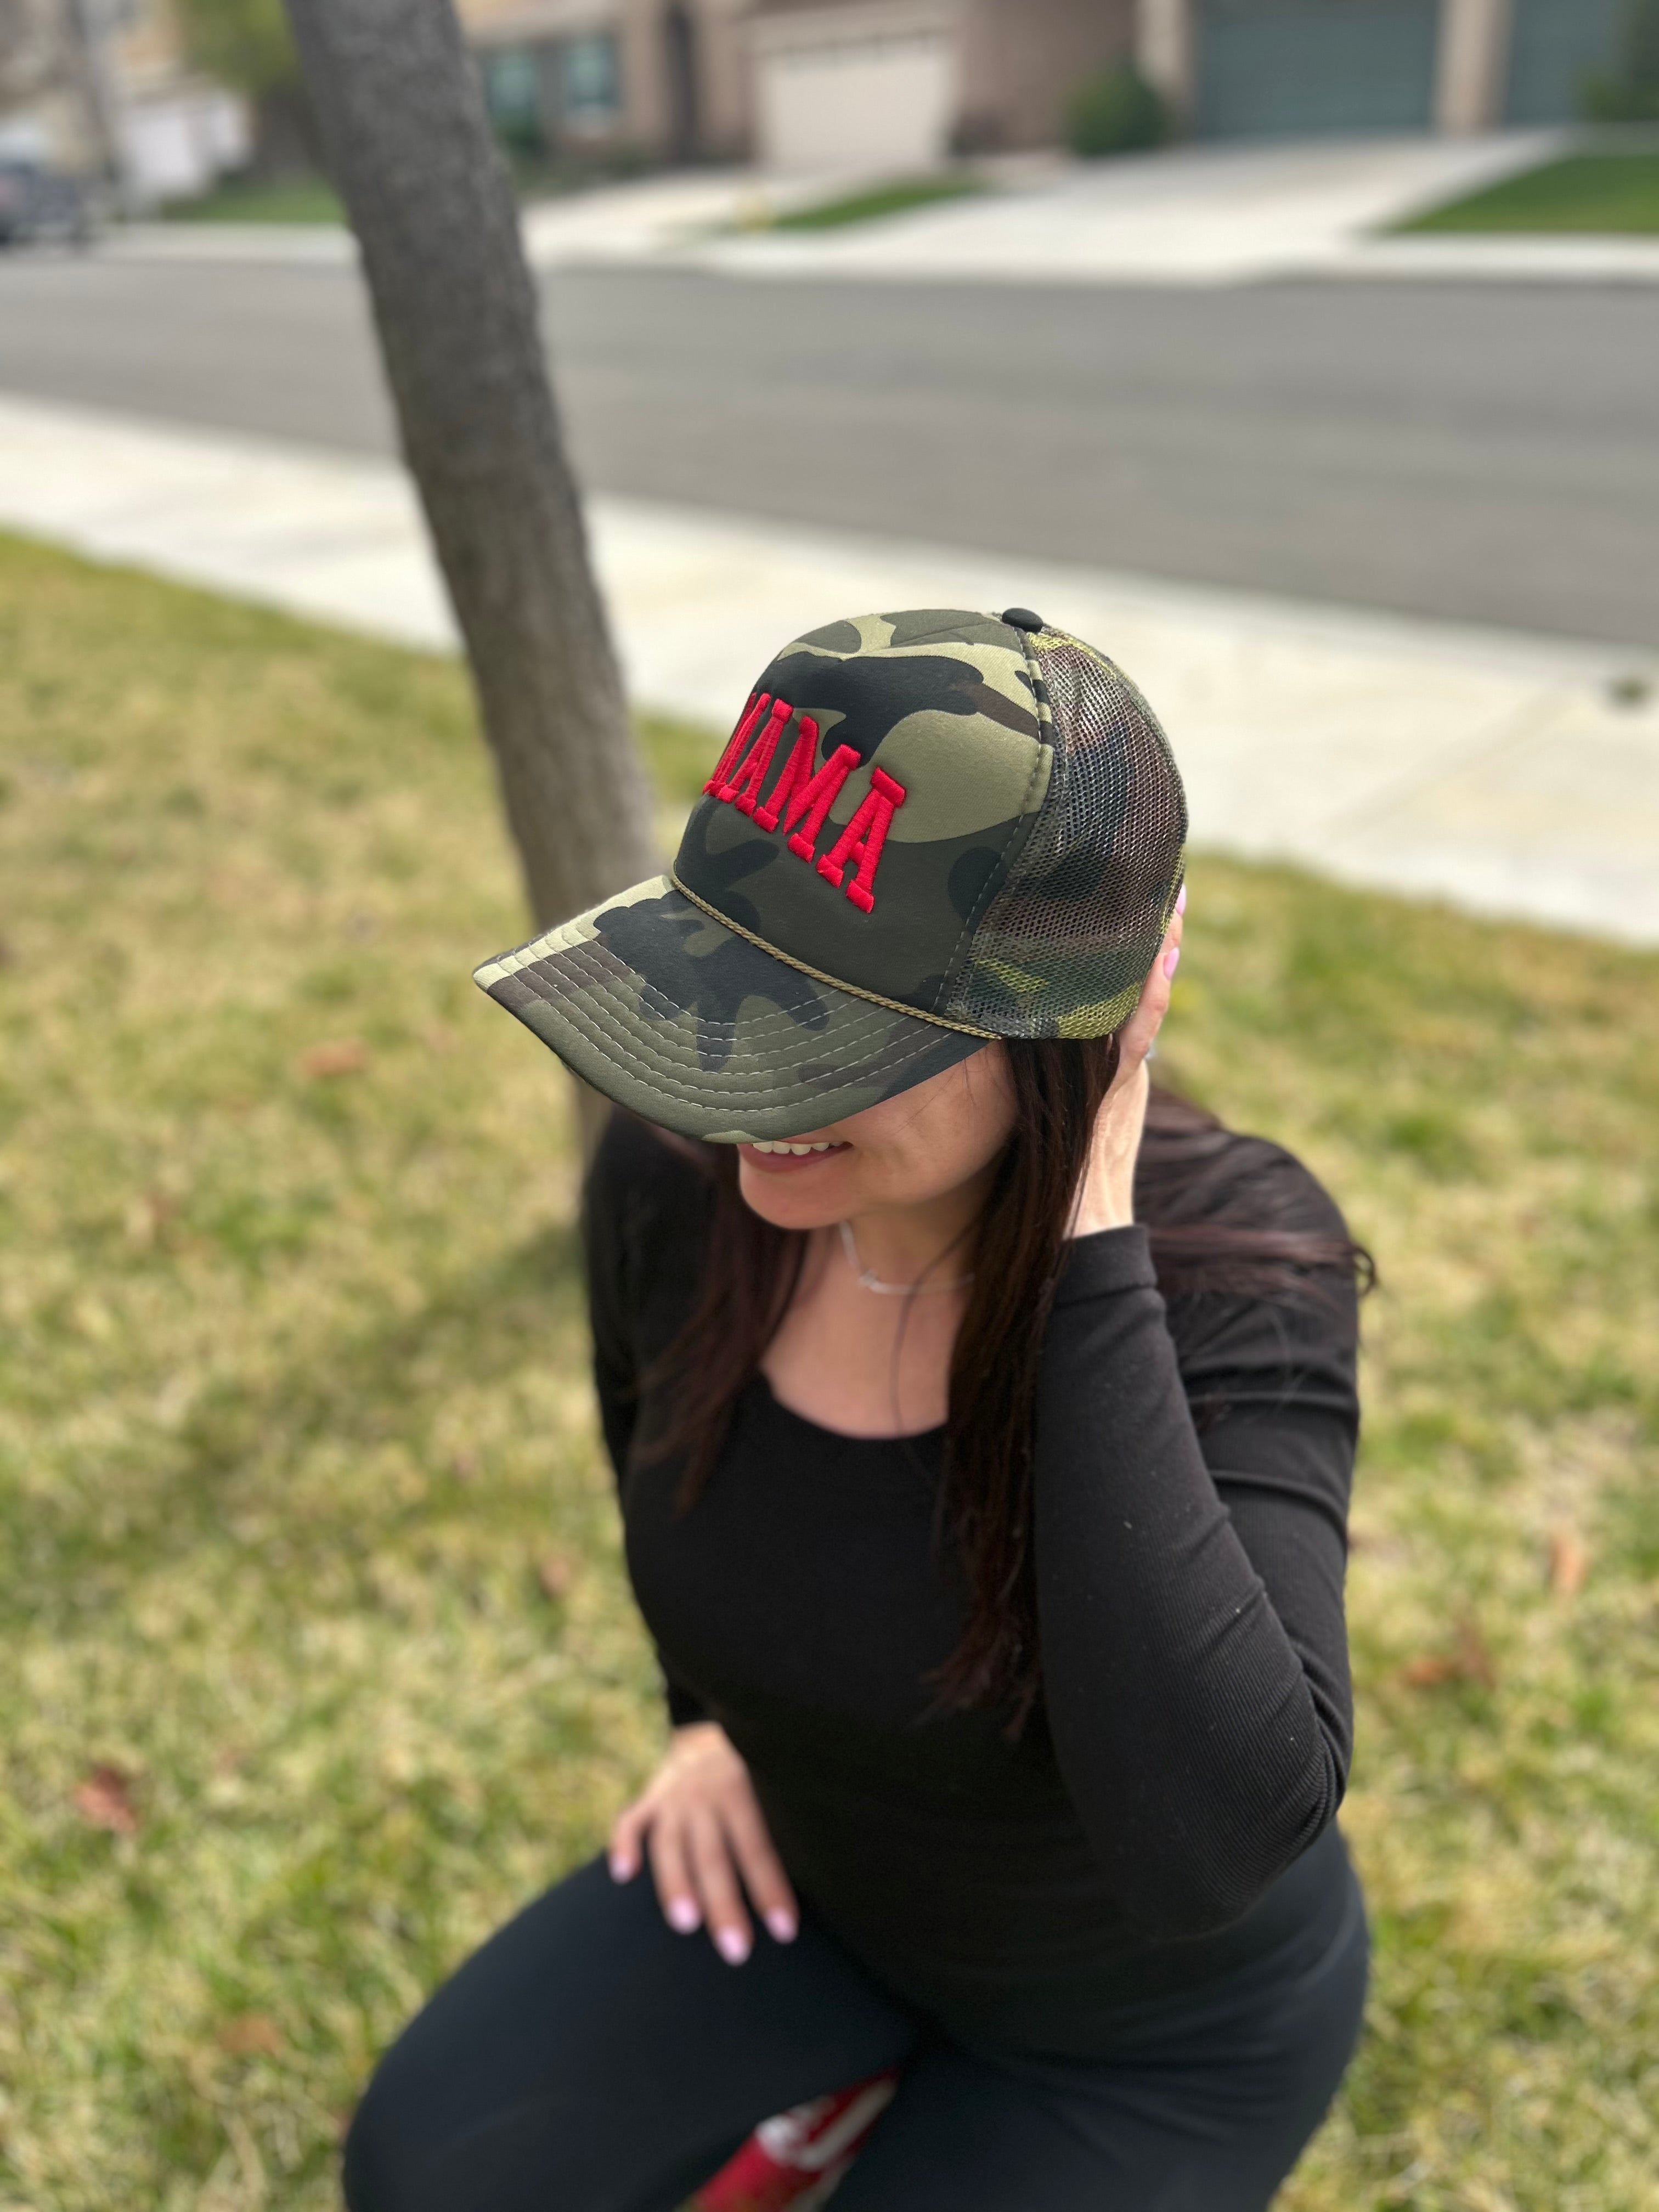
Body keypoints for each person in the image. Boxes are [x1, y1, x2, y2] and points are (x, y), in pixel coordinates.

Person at [343, 608, 1375, 2211]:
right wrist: (702, 1731)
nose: (735, 1064)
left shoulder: (1243, 1270)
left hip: (1144, 2037)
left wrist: (1090, 1255)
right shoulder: (684, 1184)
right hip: (824, 1903)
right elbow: (656, 1469)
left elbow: (1214, 1844)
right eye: (727, 973)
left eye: (832, 1030)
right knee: (431, 2178)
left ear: (1072, 1037)